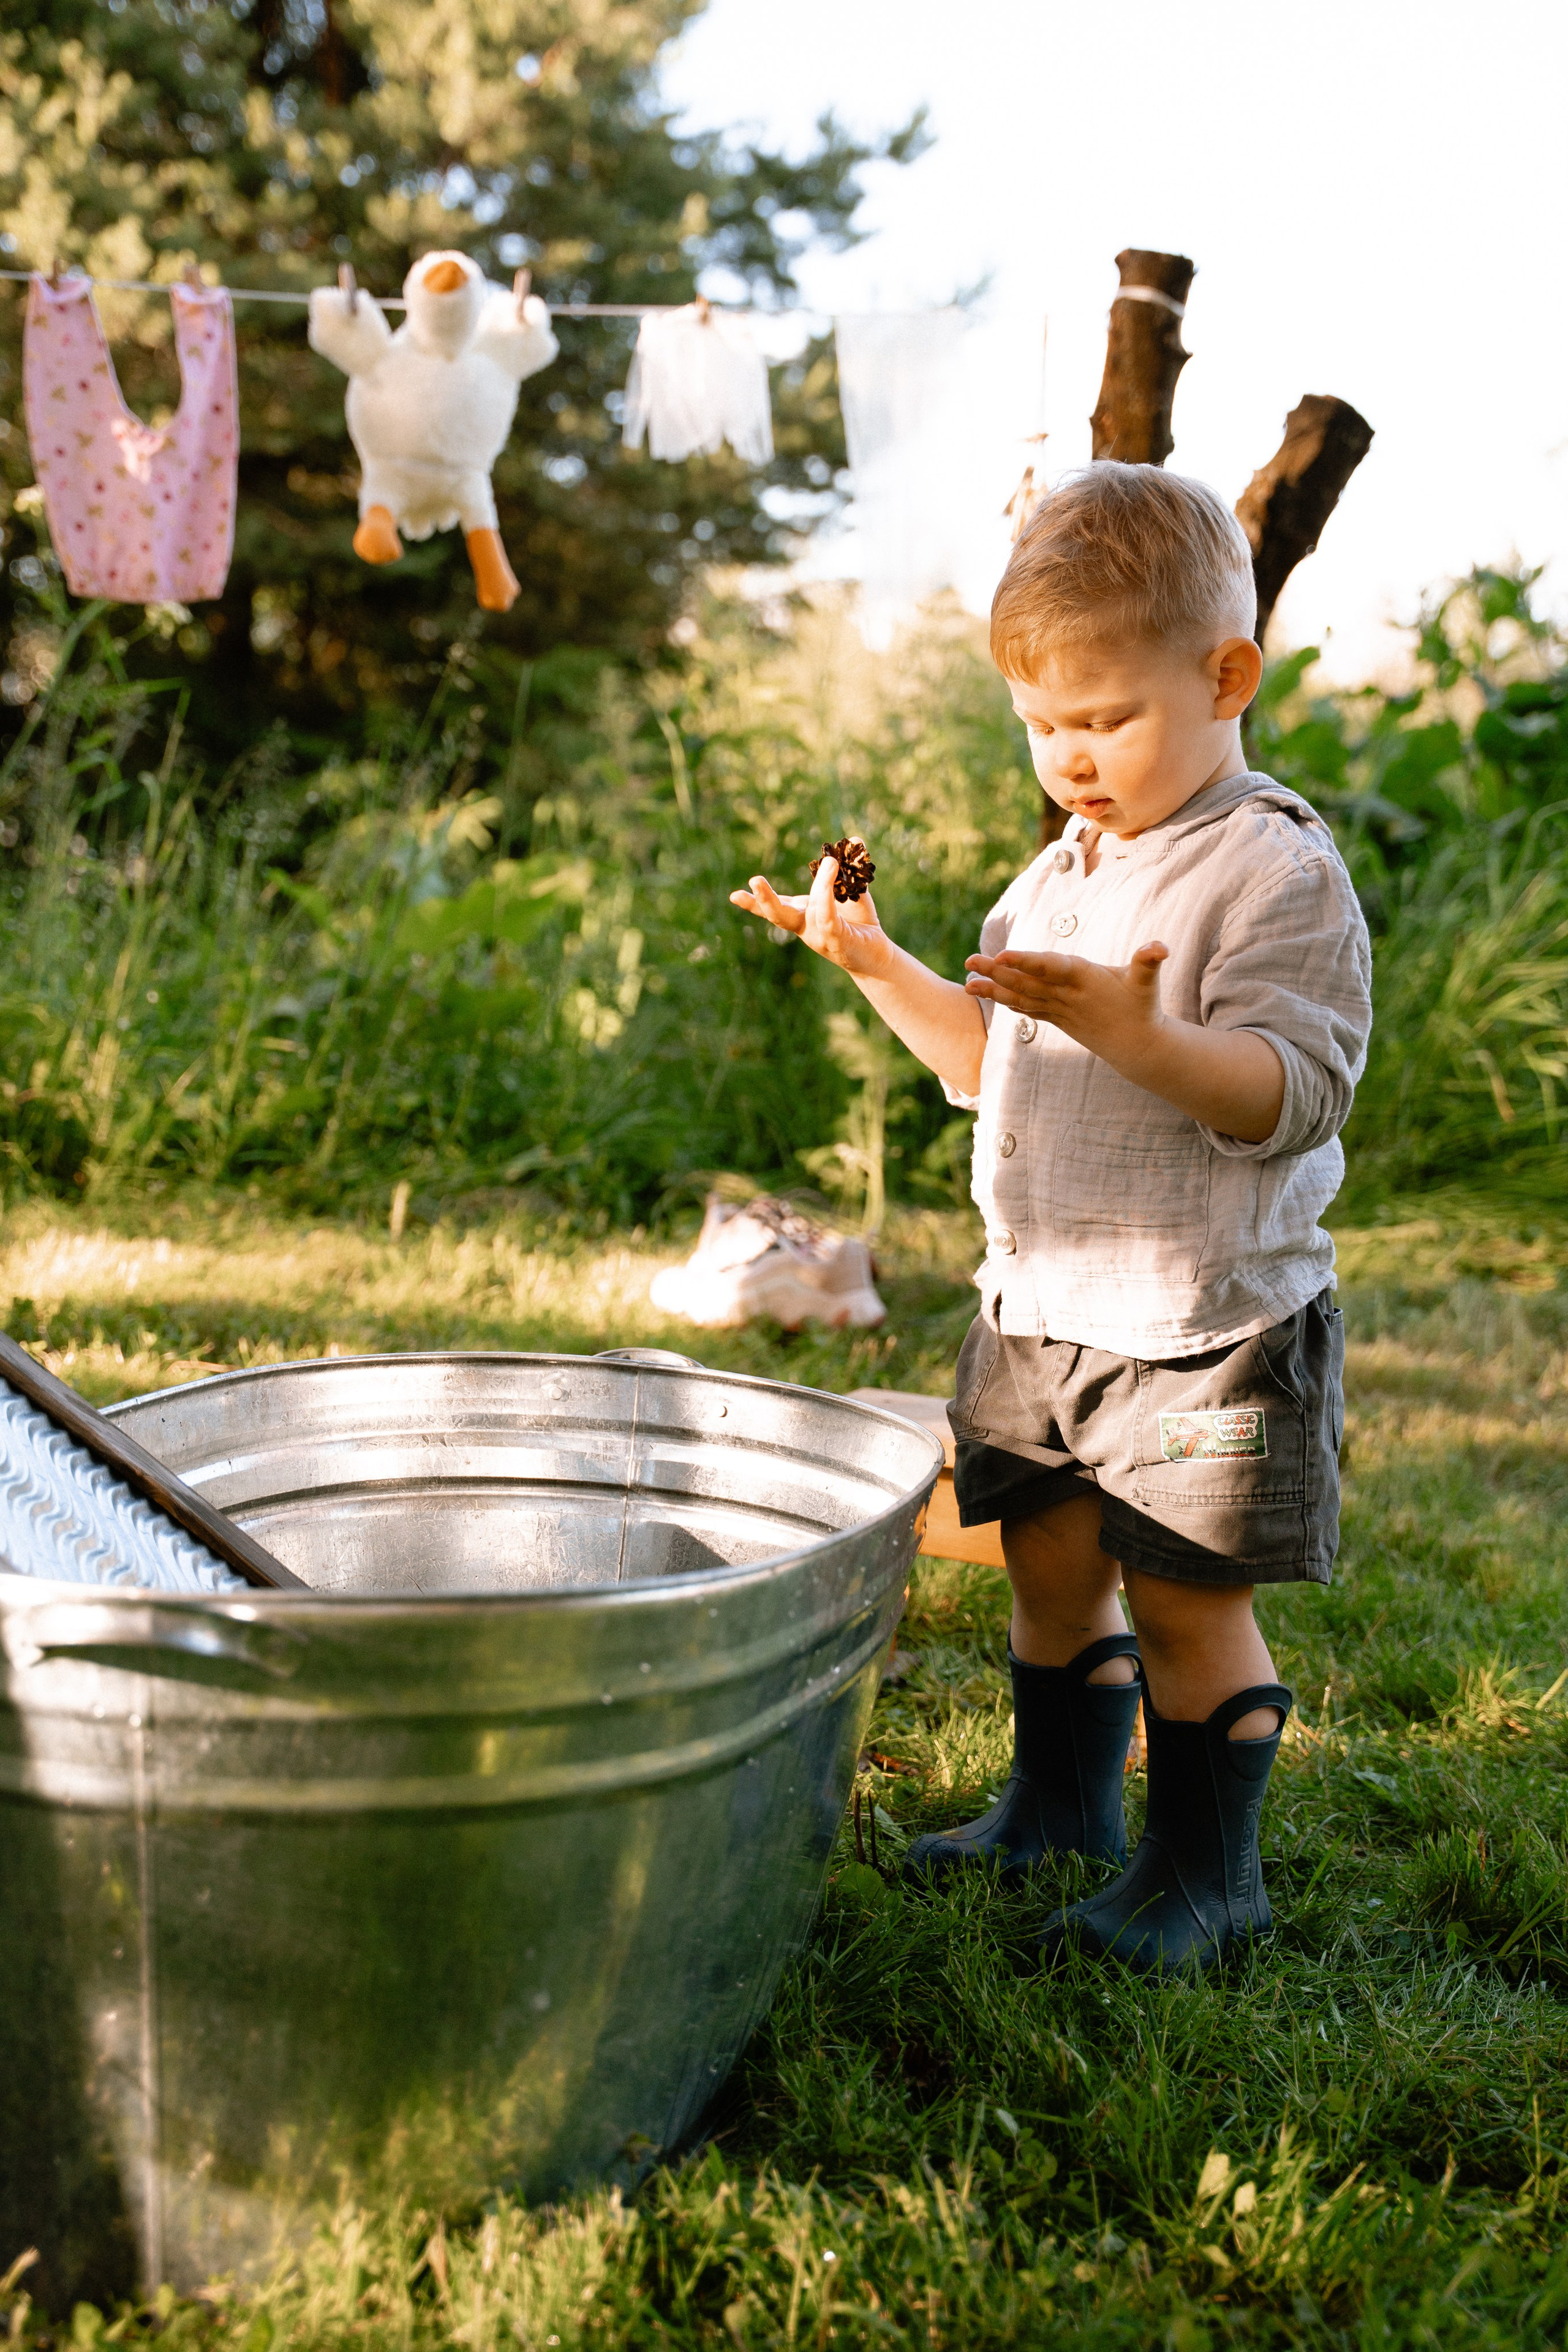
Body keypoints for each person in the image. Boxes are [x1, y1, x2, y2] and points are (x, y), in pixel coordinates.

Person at [729, 464, 1371, 1974]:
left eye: (1104, 721)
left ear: (1225, 678)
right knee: (1046, 1567)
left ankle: (1205, 1877)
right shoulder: (1053, 878)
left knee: (1181, 1598)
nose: (1070, 758)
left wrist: (1140, 1034)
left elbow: (1289, 1092)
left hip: (1204, 1328)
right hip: (1037, 1311)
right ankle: (1057, 1810)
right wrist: (877, 964)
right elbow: (989, 1070)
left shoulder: (1270, 871)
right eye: (1043, 724)